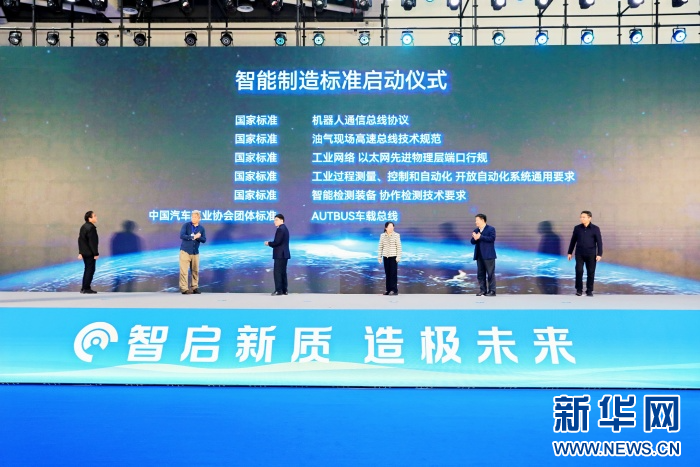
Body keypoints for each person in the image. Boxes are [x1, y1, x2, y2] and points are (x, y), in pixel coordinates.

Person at [567, 210, 603, 297]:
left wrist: (599, 254)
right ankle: (579, 290)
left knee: (591, 272)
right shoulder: (577, 228)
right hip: (579, 254)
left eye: (584, 217)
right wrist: (570, 252)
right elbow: (573, 241)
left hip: (591, 254)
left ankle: (589, 290)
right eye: (581, 217)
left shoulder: (595, 228)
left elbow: (599, 242)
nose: (581, 219)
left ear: (589, 218)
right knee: (579, 271)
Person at [179, 210, 206, 294]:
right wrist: (193, 237)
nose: (193, 218)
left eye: (195, 217)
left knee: (195, 271)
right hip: (185, 251)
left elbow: (204, 240)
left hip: (195, 252)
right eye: (192, 217)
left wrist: (198, 237)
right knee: (184, 271)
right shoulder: (186, 225)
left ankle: (195, 287)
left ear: (199, 218)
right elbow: (182, 235)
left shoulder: (201, 228)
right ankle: (184, 289)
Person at [471, 213, 497, 296]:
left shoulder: (491, 229)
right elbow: (472, 242)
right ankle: (483, 290)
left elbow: (492, 238)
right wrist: (475, 238)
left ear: (482, 220)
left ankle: (492, 291)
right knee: (480, 274)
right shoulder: (476, 230)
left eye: (477, 220)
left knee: (490, 273)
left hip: (488, 255)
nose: (476, 222)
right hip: (479, 256)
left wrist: (480, 237)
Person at [265, 213, 290, 296]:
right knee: (283, 272)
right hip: (285, 254)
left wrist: (268, 243)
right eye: (274, 220)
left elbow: (277, 242)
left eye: (276, 220)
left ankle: (278, 290)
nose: (274, 222)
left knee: (278, 272)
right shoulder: (285, 228)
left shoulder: (280, 229)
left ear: (281, 220)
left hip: (280, 254)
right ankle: (284, 290)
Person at [78, 210, 99, 294]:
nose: (96, 217)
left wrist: (81, 252)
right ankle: (86, 288)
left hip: (85, 252)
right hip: (90, 253)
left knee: (87, 269)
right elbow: (92, 242)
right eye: (94, 216)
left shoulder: (83, 227)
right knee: (90, 270)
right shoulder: (91, 228)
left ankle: (84, 288)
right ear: (89, 218)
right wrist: (96, 253)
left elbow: (80, 240)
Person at [378, 221, 402, 295]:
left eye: (392, 227)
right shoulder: (382, 235)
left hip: (393, 257)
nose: (392, 228)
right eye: (390, 227)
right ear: (386, 228)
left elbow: (399, 247)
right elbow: (380, 247)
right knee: (387, 274)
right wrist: (379, 257)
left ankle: (394, 290)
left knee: (393, 274)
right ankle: (388, 290)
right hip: (386, 257)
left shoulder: (396, 235)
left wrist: (398, 256)